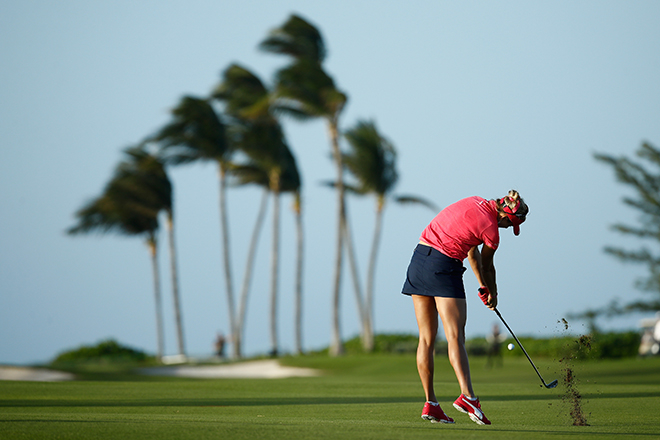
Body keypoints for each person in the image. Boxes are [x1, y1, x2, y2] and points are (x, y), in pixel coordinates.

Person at [401, 190, 528, 425]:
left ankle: (432, 404)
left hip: (418, 261)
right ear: (505, 217)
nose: (506, 229)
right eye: (509, 226)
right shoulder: (491, 230)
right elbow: (488, 265)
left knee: (426, 339)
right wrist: (494, 292)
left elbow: (471, 250)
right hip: (443, 266)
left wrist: (481, 286)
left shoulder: (475, 201)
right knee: (455, 336)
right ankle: (468, 397)